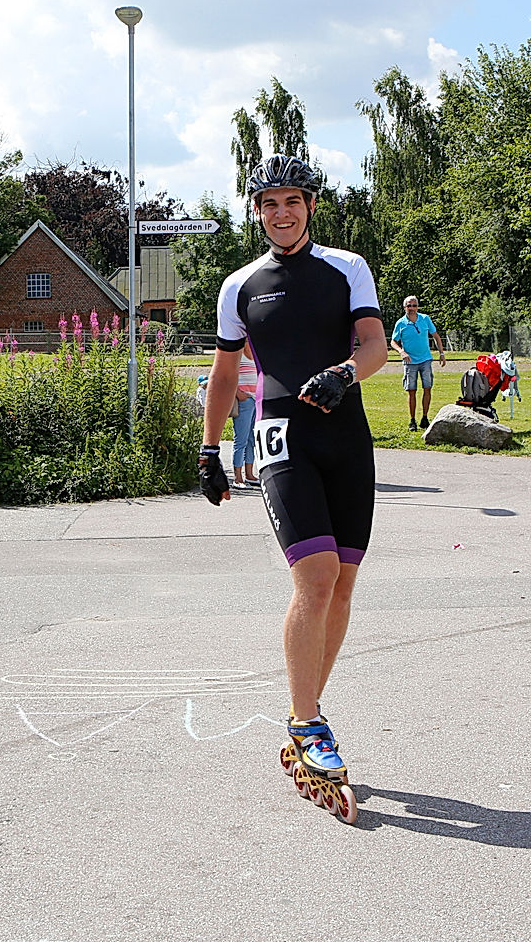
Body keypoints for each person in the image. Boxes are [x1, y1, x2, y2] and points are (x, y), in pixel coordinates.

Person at [197, 154, 386, 821]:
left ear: (309, 206)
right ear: (256, 212)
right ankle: (308, 728)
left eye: (293, 201)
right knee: (315, 575)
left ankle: (306, 712)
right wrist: (210, 448)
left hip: (345, 435)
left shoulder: (347, 267)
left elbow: (373, 344)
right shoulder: (240, 285)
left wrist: (344, 372)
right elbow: (224, 375)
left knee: (343, 584)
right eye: (269, 203)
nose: (282, 213)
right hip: (281, 438)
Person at [390, 295, 446, 430]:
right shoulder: (401, 323)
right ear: (404, 307)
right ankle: (412, 420)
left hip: (425, 359)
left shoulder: (425, 319)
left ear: (417, 307)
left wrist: (441, 353)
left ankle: (425, 418)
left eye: (414, 305)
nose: (412, 308)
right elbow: (393, 341)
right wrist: (401, 352)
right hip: (410, 362)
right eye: (409, 306)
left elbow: (436, 336)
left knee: (427, 388)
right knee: (411, 391)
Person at [231, 346, 259, 487]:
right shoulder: (237, 354)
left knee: (252, 440)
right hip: (245, 401)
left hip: (256, 399)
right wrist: (238, 393)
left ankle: (249, 474)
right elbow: (229, 374)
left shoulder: (256, 352)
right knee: (240, 440)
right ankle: (237, 477)